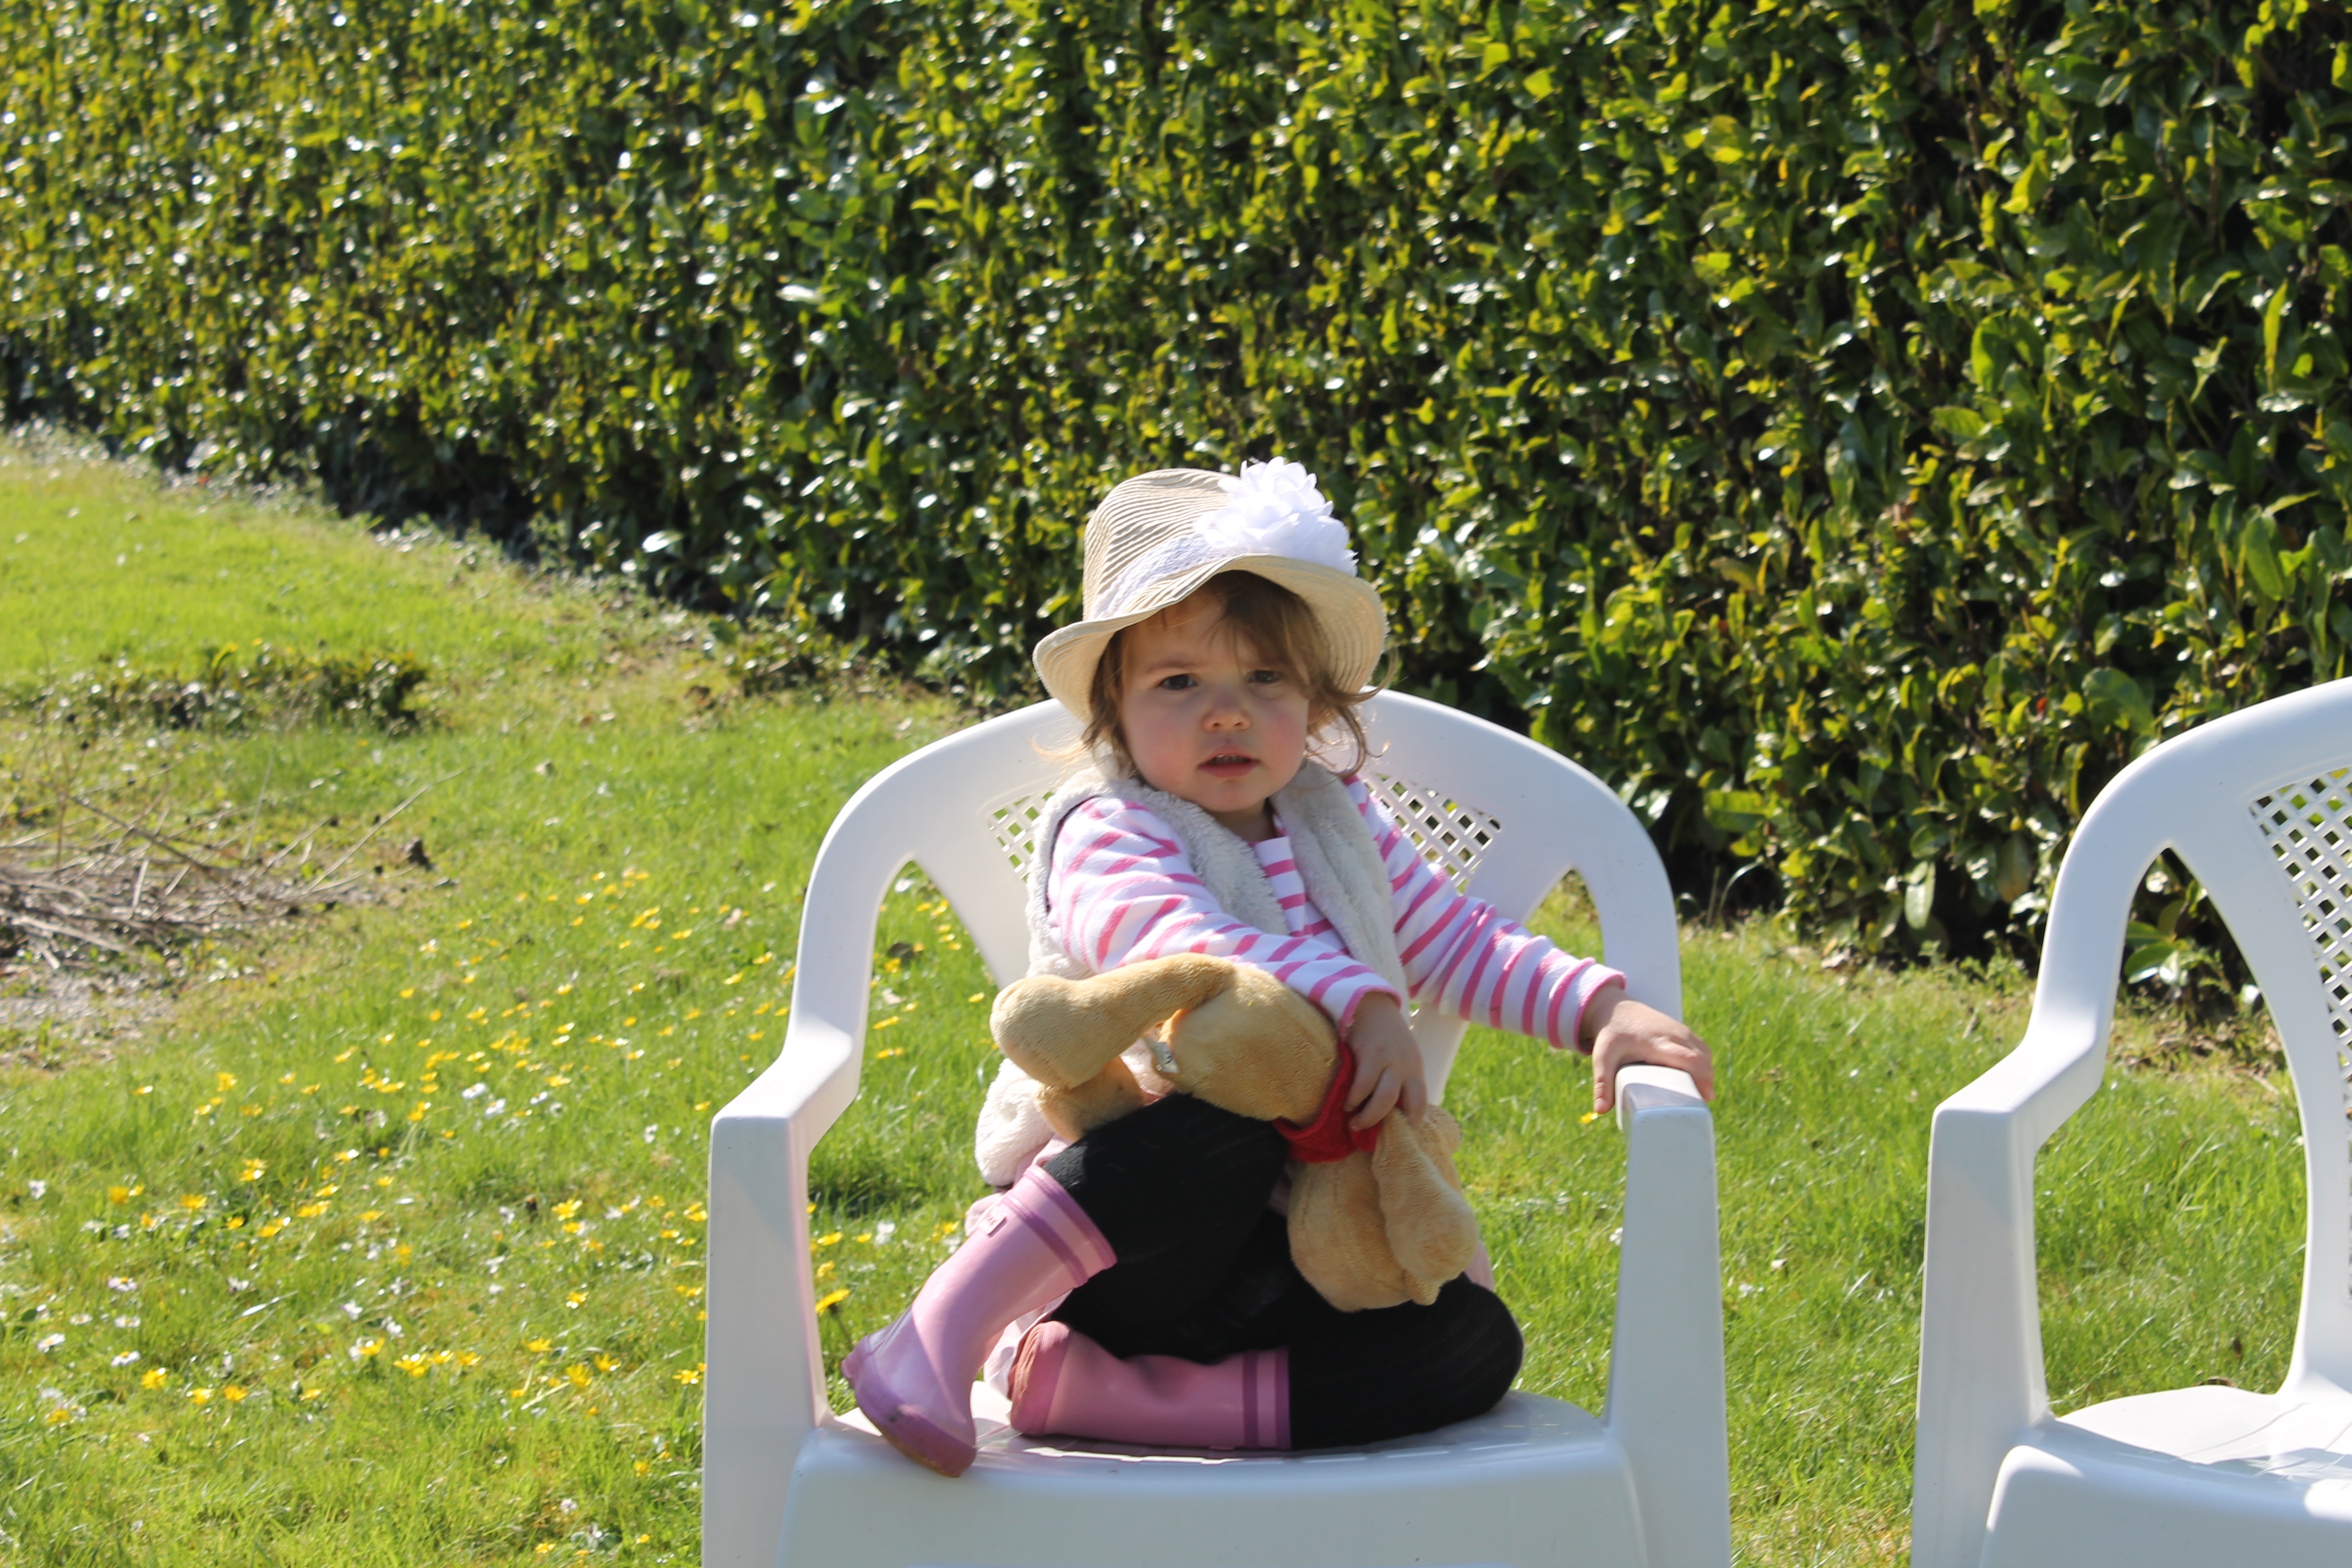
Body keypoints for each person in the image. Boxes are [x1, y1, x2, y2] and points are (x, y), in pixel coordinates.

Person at [843, 460, 1715, 1477]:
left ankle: (1107, 1398)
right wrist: (1361, 1001)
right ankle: (939, 1331)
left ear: (1315, 701)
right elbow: (1180, 947)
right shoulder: (1109, 828)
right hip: (1126, 1245)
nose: (1228, 714)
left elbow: (1459, 940)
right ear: (1115, 709)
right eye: (1180, 684)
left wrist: (1598, 1009)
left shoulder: (1336, 824)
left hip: (1297, 1251)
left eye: (1266, 680)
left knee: (1473, 1343)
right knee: (1228, 1126)